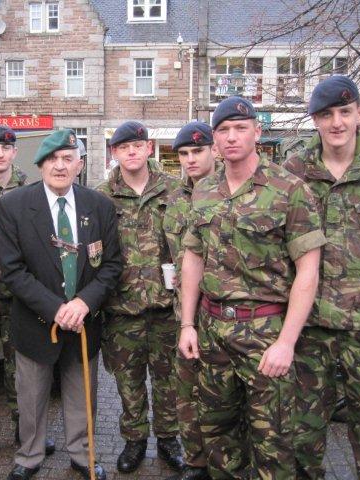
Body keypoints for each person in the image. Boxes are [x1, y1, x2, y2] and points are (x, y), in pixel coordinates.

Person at [178, 96, 326, 478]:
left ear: (257, 132)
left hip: (265, 334)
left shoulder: (289, 189)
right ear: (214, 139)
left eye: (240, 128)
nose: (231, 137)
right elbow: (193, 257)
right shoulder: (204, 190)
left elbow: (308, 270)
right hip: (213, 332)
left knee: (273, 442)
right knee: (218, 437)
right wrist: (187, 324)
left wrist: (287, 342)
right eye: (223, 130)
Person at [284, 75, 360, 479]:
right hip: (309, 333)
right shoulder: (294, 171)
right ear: (314, 121)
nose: (336, 123)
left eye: (344, 112)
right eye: (325, 115)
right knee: (301, 442)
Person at [0, 129, 122, 480]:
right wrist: (56, 309)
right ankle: (29, 456)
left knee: (83, 397)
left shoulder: (100, 206)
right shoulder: (14, 206)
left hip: (85, 322)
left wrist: (83, 302)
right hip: (36, 323)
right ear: (39, 166)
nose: (59, 165)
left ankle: (83, 454)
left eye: (68, 158)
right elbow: (12, 270)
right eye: (52, 158)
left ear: (80, 164)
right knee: (32, 400)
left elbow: (112, 264)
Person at [97, 121, 184, 474]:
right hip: (122, 310)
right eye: (123, 147)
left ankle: (168, 439)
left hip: (166, 310)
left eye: (137, 145)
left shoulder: (175, 191)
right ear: (114, 153)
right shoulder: (101, 197)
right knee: (128, 383)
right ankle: (134, 441)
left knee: (169, 382)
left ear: (149, 148)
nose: (131, 151)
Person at [0, 125, 55, 457]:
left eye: (6, 148)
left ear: (14, 152)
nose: (0, 154)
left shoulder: (30, 187)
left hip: (19, 293)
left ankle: (26, 430)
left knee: (21, 367)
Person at [163, 121, 215, 480]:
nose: (190, 159)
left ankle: (223, 461)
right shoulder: (175, 197)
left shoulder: (230, 190)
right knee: (186, 391)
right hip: (184, 311)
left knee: (222, 395)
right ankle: (195, 461)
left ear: (213, 150)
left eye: (197, 151)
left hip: (224, 313)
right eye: (183, 153)